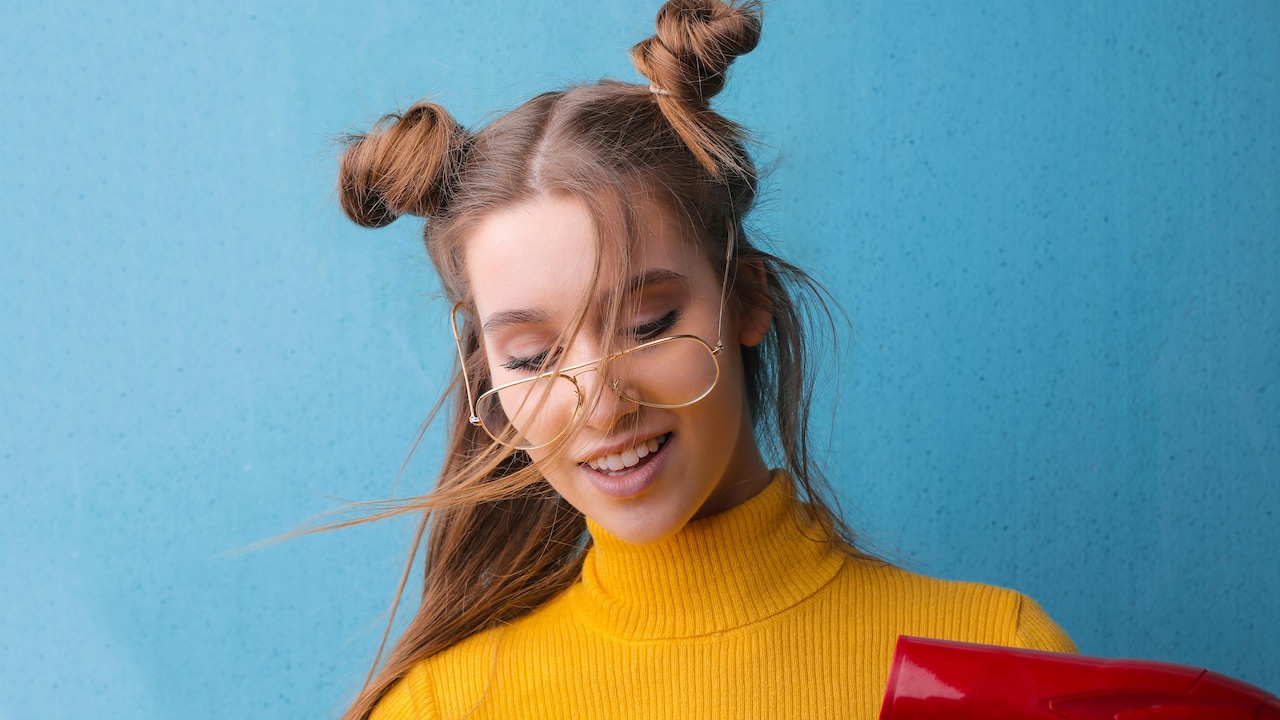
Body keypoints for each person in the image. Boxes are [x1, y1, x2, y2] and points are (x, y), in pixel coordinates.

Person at [333, 1, 1076, 718]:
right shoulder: (442, 708)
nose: (601, 404)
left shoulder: (994, 661)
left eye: (647, 324)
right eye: (531, 357)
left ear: (746, 297)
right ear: (486, 377)